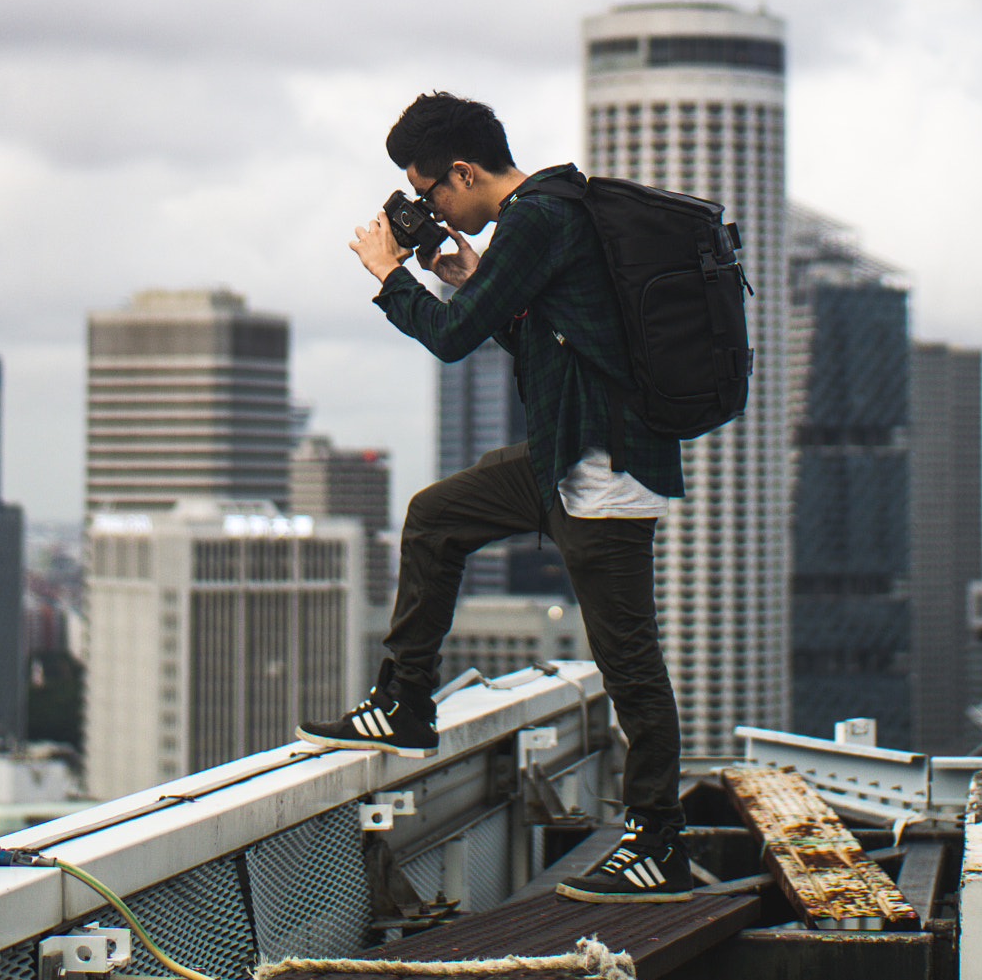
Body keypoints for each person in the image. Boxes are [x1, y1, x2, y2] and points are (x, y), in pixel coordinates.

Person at [297, 90, 694, 901]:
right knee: (436, 517)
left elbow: (451, 339)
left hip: (602, 467)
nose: (427, 208)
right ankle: (402, 703)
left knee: (628, 662)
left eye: (428, 190)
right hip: (560, 456)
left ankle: (658, 844)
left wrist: (387, 278)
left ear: (463, 171)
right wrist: (470, 278)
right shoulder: (539, 222)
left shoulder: (540, 217)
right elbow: (546, 337)